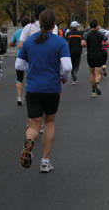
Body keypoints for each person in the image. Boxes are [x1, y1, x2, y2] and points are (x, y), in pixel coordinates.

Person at [15, 9, 72, 172]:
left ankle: (29, 142)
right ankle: (45, 161)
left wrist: (32, 68)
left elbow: (18, 65)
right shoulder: (60, 42)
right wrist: (64, 77)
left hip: (33, 88)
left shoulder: (29, 41)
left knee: (33, 125)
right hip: (51, 88)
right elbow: (67, 67)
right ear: (54, 24)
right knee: (49, 122)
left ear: (39, 23)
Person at [82, 20, 105, 97]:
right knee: (98, 73)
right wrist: (102, 45)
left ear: (90, 26)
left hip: (90, 55)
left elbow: (82, 43)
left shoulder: (86, 34)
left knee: (92, 73)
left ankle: (93, 91)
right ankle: (97, 83)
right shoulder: (101, 34)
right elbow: (107, 42)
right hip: (99, 54)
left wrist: (86, 45)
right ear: (96, 26)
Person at [10, 18, 30, 105]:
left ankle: (19, 98)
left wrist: (15, 44)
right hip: (30, 57)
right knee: (30, 77)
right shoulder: (31, 33)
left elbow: (10, 43)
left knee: (19, 78)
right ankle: (28, 96)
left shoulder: (17, 32)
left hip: (19, 57)